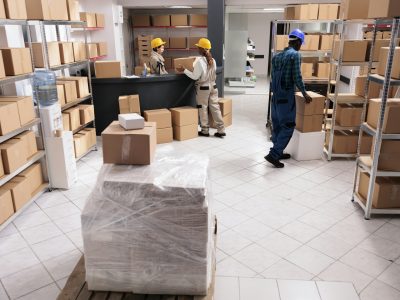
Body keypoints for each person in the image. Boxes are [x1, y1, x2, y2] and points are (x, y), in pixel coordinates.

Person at [264, 29, 313, 169]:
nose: (300, 46)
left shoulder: (277, 56)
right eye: (300, 43)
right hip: (286, 96)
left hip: (275, 97)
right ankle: (274, 155)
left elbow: (272, 78)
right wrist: (304, 93)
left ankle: (278, 151)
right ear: (297, 41)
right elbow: (297, 76)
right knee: (288, 126)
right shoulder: (295, 55)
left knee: (278, 125)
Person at [176, 38, 226, 138]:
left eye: (198, 47)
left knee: (203, 108)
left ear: (202, 49)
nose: (197, 48)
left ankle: (205, 130)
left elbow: (195, 76)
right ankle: (221, 130)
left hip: (204, 88)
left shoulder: (200, 62)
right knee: (215, 108)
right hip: (214, 86)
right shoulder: (213, 60)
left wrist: (184, 70)